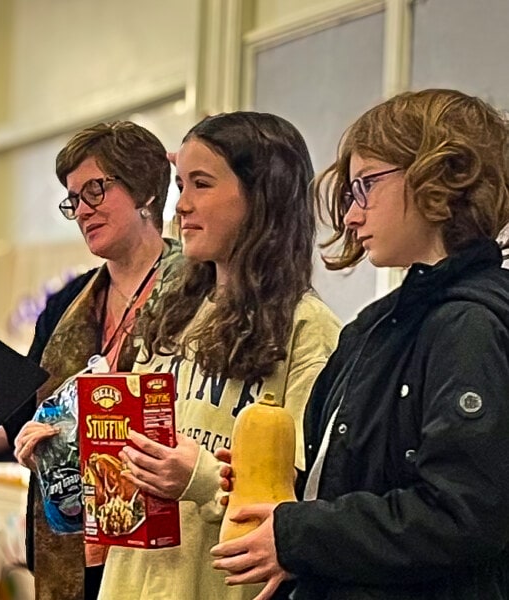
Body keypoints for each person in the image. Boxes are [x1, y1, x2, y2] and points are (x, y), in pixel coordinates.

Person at [210, 88, 509, 600]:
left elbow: (462, 514)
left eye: (366, 186)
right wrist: (282, 492)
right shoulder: (372, 327)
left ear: (440, 180)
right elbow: (353, 481)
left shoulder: (469, 327)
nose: (350, 216)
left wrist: (300, 535)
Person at [95, 111, 341, 600]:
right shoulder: (172, 312)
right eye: (180, 186)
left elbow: (300, 497)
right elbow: (133, 441)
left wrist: (201, 479)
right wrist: (66, 442)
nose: (181, 206)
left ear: (262, 196)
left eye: (201, 184)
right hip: (131, 580)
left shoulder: (310, 330)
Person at [10, 121, 184, 599]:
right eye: (73, 199)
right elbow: (28, 412)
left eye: (95, 191)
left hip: (163, 544)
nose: (82, 210)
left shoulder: (200, 291)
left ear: (146, 189)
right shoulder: (65, 302)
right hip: (71, 537)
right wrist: (33, 444)